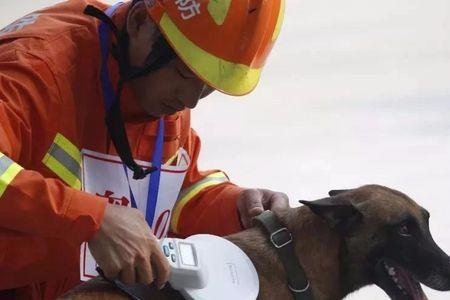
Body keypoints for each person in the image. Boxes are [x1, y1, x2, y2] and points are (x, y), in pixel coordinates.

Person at [0, 0, 287, 299]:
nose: (190, 100)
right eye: (185, 74)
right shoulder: (35, 67)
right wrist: (91, 219)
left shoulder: (152, 89)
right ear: (139, 23)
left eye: (207, 85)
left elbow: (167, 194)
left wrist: (235, 207)